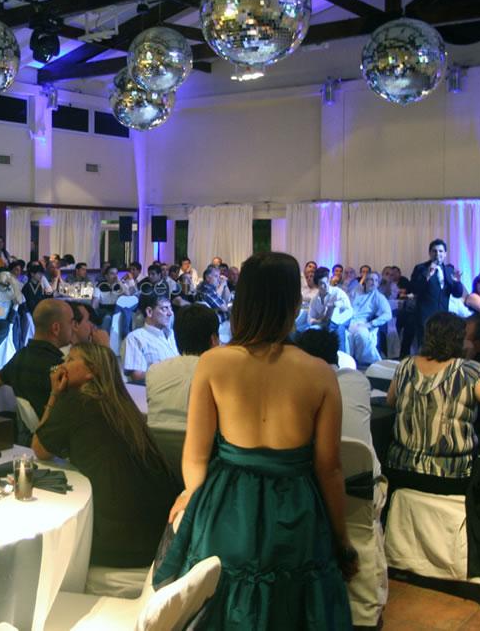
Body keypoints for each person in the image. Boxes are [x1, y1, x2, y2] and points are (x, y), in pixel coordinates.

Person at [154, 252, 355, 629]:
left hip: (226, 505)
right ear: (294, 305)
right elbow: (329, 468)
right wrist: (341, 539)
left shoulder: (213, 363)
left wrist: (192, 496)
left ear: (242, 302)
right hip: (296, 507)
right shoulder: (320, 373)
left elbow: (195, 456)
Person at [33, 343, 180, 568]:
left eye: (70, 360)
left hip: (120, 544)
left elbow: (39, 449)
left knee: (46, 538)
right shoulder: (122, 406)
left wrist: (55, 394)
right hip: (159, 537)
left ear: (91, 371)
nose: (62, 366)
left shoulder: (77, 402)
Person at [385, 312, 480, 496]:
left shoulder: (405, 365)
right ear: (458, 339)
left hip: (400, 472)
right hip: (451, 477)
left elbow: (390, 401)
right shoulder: (471, 371)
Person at [295, 329, 379, 477]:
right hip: (368, 482)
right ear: (336, 355)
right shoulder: (360, 381)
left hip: (316, 482)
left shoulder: (300, 389)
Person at [0, 299, 73, 420]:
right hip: (55, 428)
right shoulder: (60, 368)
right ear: (56, 328)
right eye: (71, 322)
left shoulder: (19, 359)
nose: (73, 328)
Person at [146, 304, 220, 431]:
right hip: (206, 443)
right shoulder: (221, 372)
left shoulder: (154, 371)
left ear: (176, 339)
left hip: (157, 443)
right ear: (214, 340)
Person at [409, 239, 464, 346]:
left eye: (440, 251)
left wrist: (457, 282)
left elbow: (457, 294)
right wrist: (427, 275)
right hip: (425, 317)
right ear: (430, 253)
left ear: (445, 254)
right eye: (434, 251)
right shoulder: (421, 268)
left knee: (442, 346)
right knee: (426, 346)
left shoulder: (449, 270)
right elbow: (414, 289)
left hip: (443, 317)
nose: (437, 254)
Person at [122, 295, 179, 383]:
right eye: (165, 308)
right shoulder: (135, 338)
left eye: (171, 308)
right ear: (149, 312)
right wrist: (172, 373)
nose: (170, 313)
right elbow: (137, 377)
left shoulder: (172, 334)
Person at [348, 271, 392, 367]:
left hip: (362, 322)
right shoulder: (356, 291)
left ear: (378, 284)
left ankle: (372, 364)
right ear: (365, 281)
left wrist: (371, 324)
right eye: (371, 280)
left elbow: (388, 314)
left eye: (376, 280)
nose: (373, 282)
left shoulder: (378, 296)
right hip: (347, 320)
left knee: (362, 334)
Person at [309, 266, 353, 352]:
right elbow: (310, 318)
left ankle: (341, 355)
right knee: (311, 330)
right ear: (317, 285)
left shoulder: (337, 292)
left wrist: (333, 305)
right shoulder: (314, 300)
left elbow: (348, 307)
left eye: (327, 282)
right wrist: (319, 321)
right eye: (322, 283)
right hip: (324, 322)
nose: (326, 285)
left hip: (341, 320)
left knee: (337, 328)